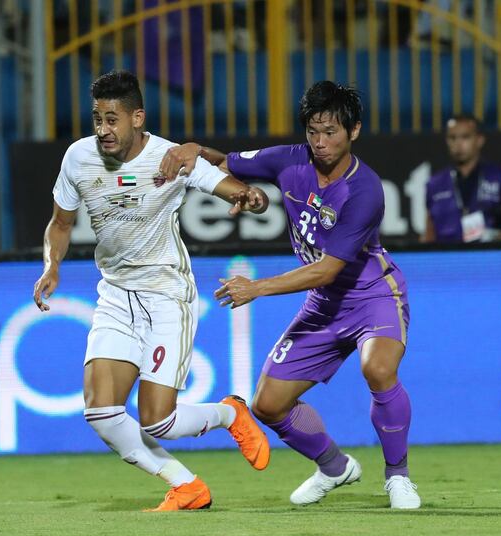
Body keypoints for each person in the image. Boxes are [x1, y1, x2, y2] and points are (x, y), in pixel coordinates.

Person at [159, 81, 421, 509]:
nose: (320, 143)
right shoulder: (289, 161)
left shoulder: (365, 190)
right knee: (267, 405)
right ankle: (335, 467)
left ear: (353, 131)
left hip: (372, 295)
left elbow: (329, 268)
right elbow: (226, 163)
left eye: (331, 132)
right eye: (313, 132)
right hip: (324, 306)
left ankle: (398, 477)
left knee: (377, 370)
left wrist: (257, 287)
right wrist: (193, 148)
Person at [33, 69, 271, 512]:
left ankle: (230, 412)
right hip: (116, 296)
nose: (103, 130)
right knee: (100, 411)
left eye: (112, 120)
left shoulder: (171, 158)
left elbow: (231, 187)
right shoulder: (77, 158)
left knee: (159, 421)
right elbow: (60, 223)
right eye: (97, 119)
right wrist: (52, 266)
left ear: (137, 117)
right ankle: (186, 485)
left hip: (165, 294)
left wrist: (250, 197)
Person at [422, 114, 501, 243]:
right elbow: (428, 236)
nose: (458, 144)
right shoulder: (435, 183)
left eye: (465, 137)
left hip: (487, 258)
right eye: (452, 138)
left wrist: (492, 243)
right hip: (446, 259)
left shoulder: (500, 178)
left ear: (479, 140)